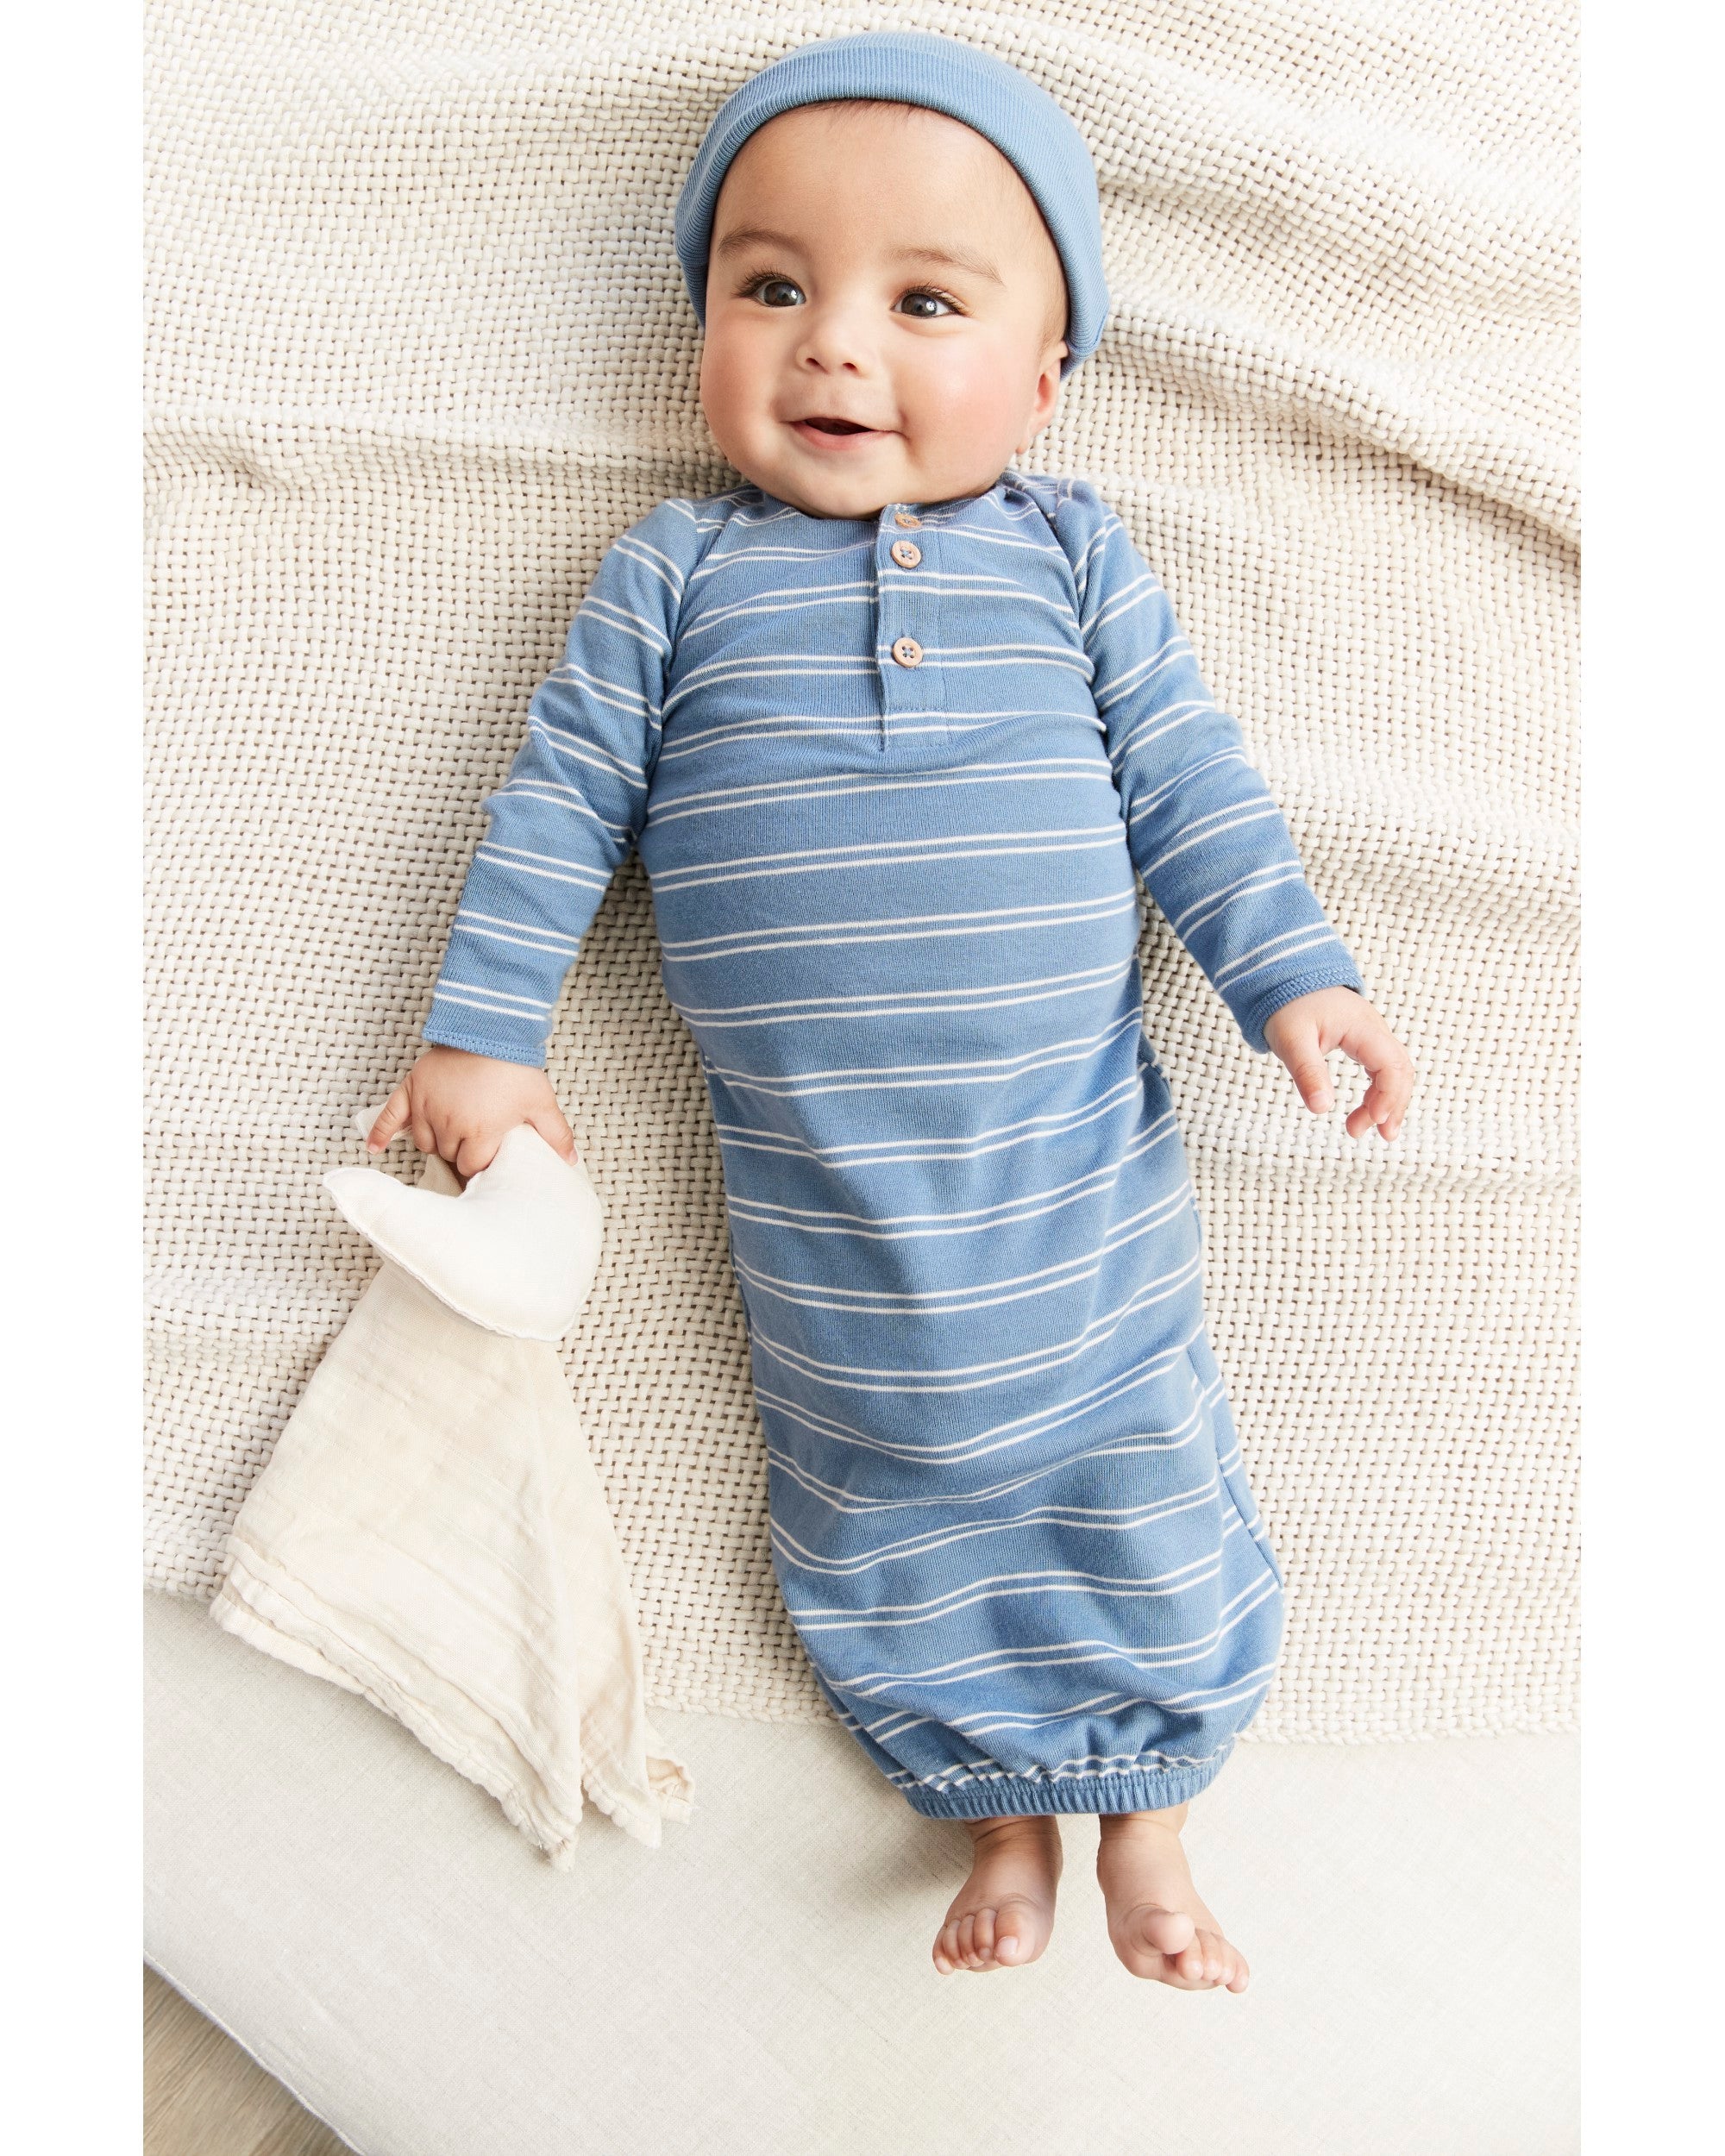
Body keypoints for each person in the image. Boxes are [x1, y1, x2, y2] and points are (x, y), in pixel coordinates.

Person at [368, 29, 1415, 1990]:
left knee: (1135, 1458)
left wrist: (1296, 976)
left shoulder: (1073, 556)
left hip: (1069, 1166)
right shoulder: (671, 576)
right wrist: (486, 1032)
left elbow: (1192, 786)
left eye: (923, 303)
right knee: (880, 1486)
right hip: (824, 1190)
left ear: (1049, 376)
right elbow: (555, 807)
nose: (834, 346)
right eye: (769, 286)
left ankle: (1153, 1821)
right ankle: (995, 1812)